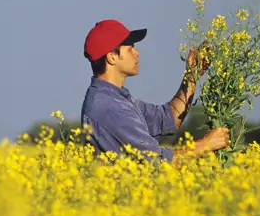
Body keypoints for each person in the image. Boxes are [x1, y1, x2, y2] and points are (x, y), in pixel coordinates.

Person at [80, 19, 229, 163]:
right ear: (112, 57)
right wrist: (206, 144)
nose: (136, 53)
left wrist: (192, 75)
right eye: (130, 48)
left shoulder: (116, 98)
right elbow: (157, 162)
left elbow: (168, 118)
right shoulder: (109, 107)